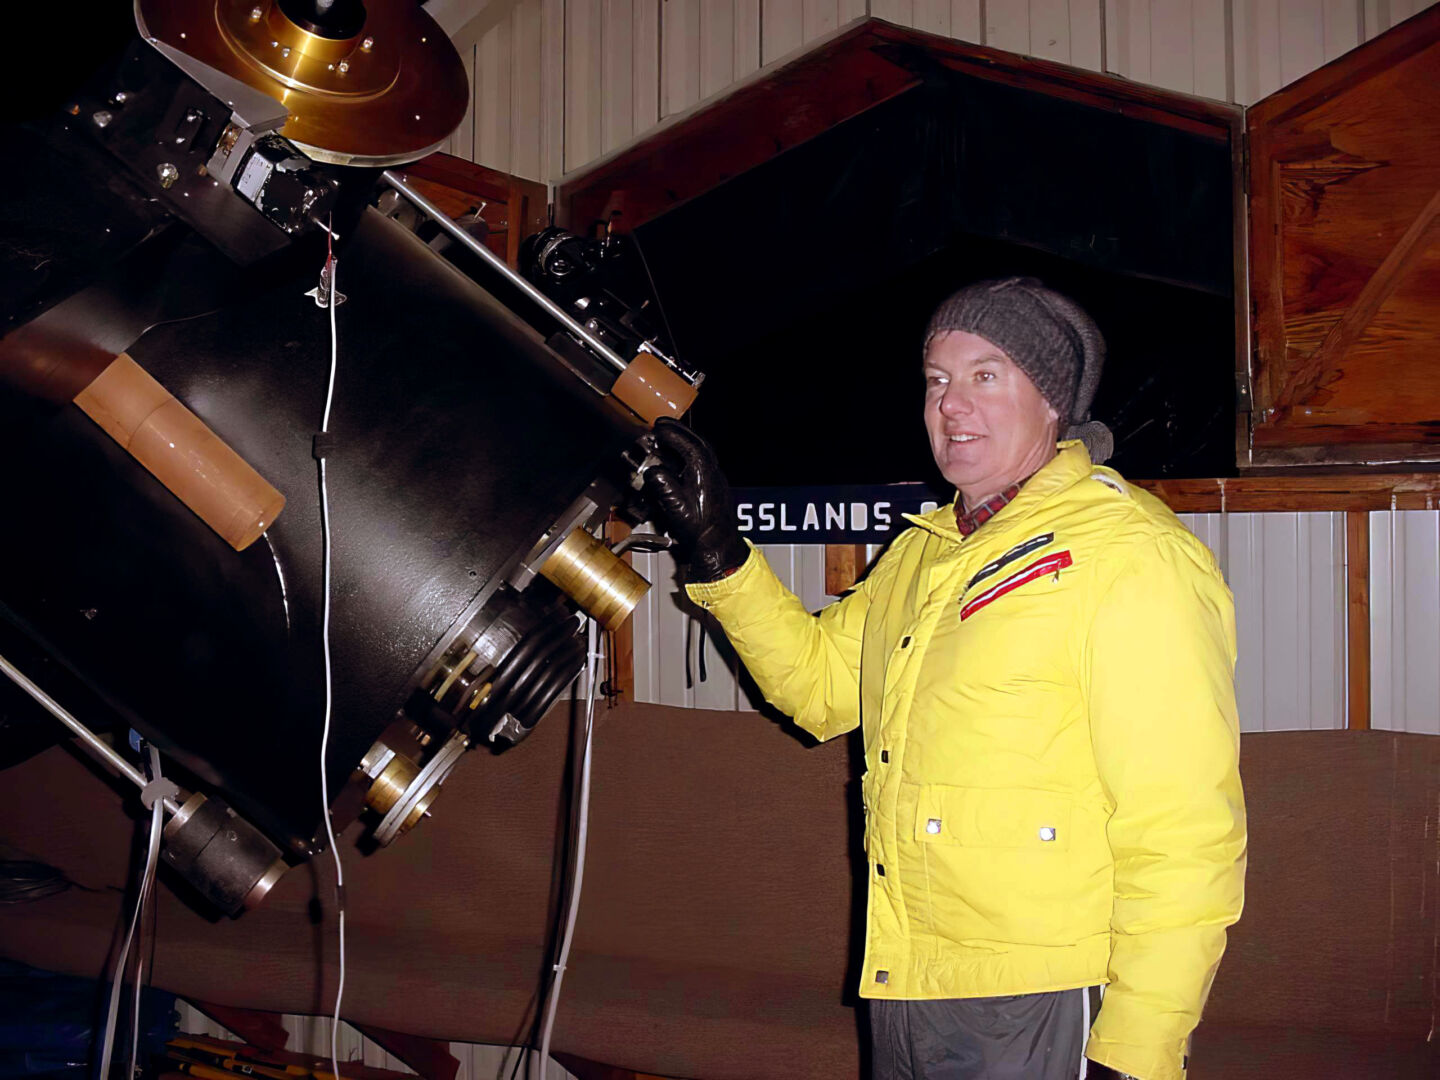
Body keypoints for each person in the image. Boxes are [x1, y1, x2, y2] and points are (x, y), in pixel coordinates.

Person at [643, 277, 1247, 1080]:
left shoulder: (1132, 556)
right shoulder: (924, 554)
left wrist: (1139, 1046)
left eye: (985, 375)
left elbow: (1183, 829)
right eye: (937, 380)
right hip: (907, 975)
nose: (951, 405)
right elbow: (818, 687)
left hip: (1044, 994)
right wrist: (718, 551)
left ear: (1053, 401)